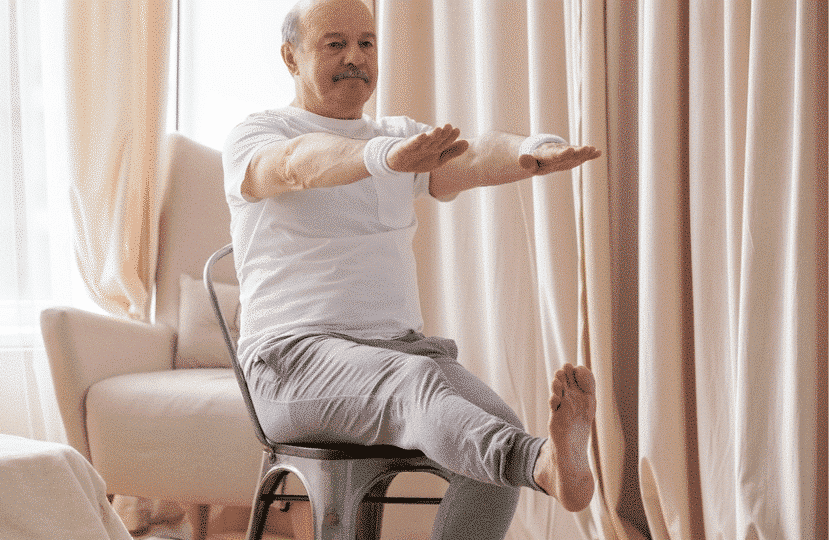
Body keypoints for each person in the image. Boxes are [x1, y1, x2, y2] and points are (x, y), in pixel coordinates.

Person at [222, 0, 602, 538]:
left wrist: (528, 150)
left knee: (487, 431)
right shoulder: (259, 134)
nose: (355, 57)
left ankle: (529, 456)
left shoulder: (398, 133)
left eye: (367, 43)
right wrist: (384, 158)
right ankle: (538, 463)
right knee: (419, 388)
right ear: (291, 57)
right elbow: (296, 165)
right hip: (291, 363)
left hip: (396, 350)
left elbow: (467, 154)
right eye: (335, 44)